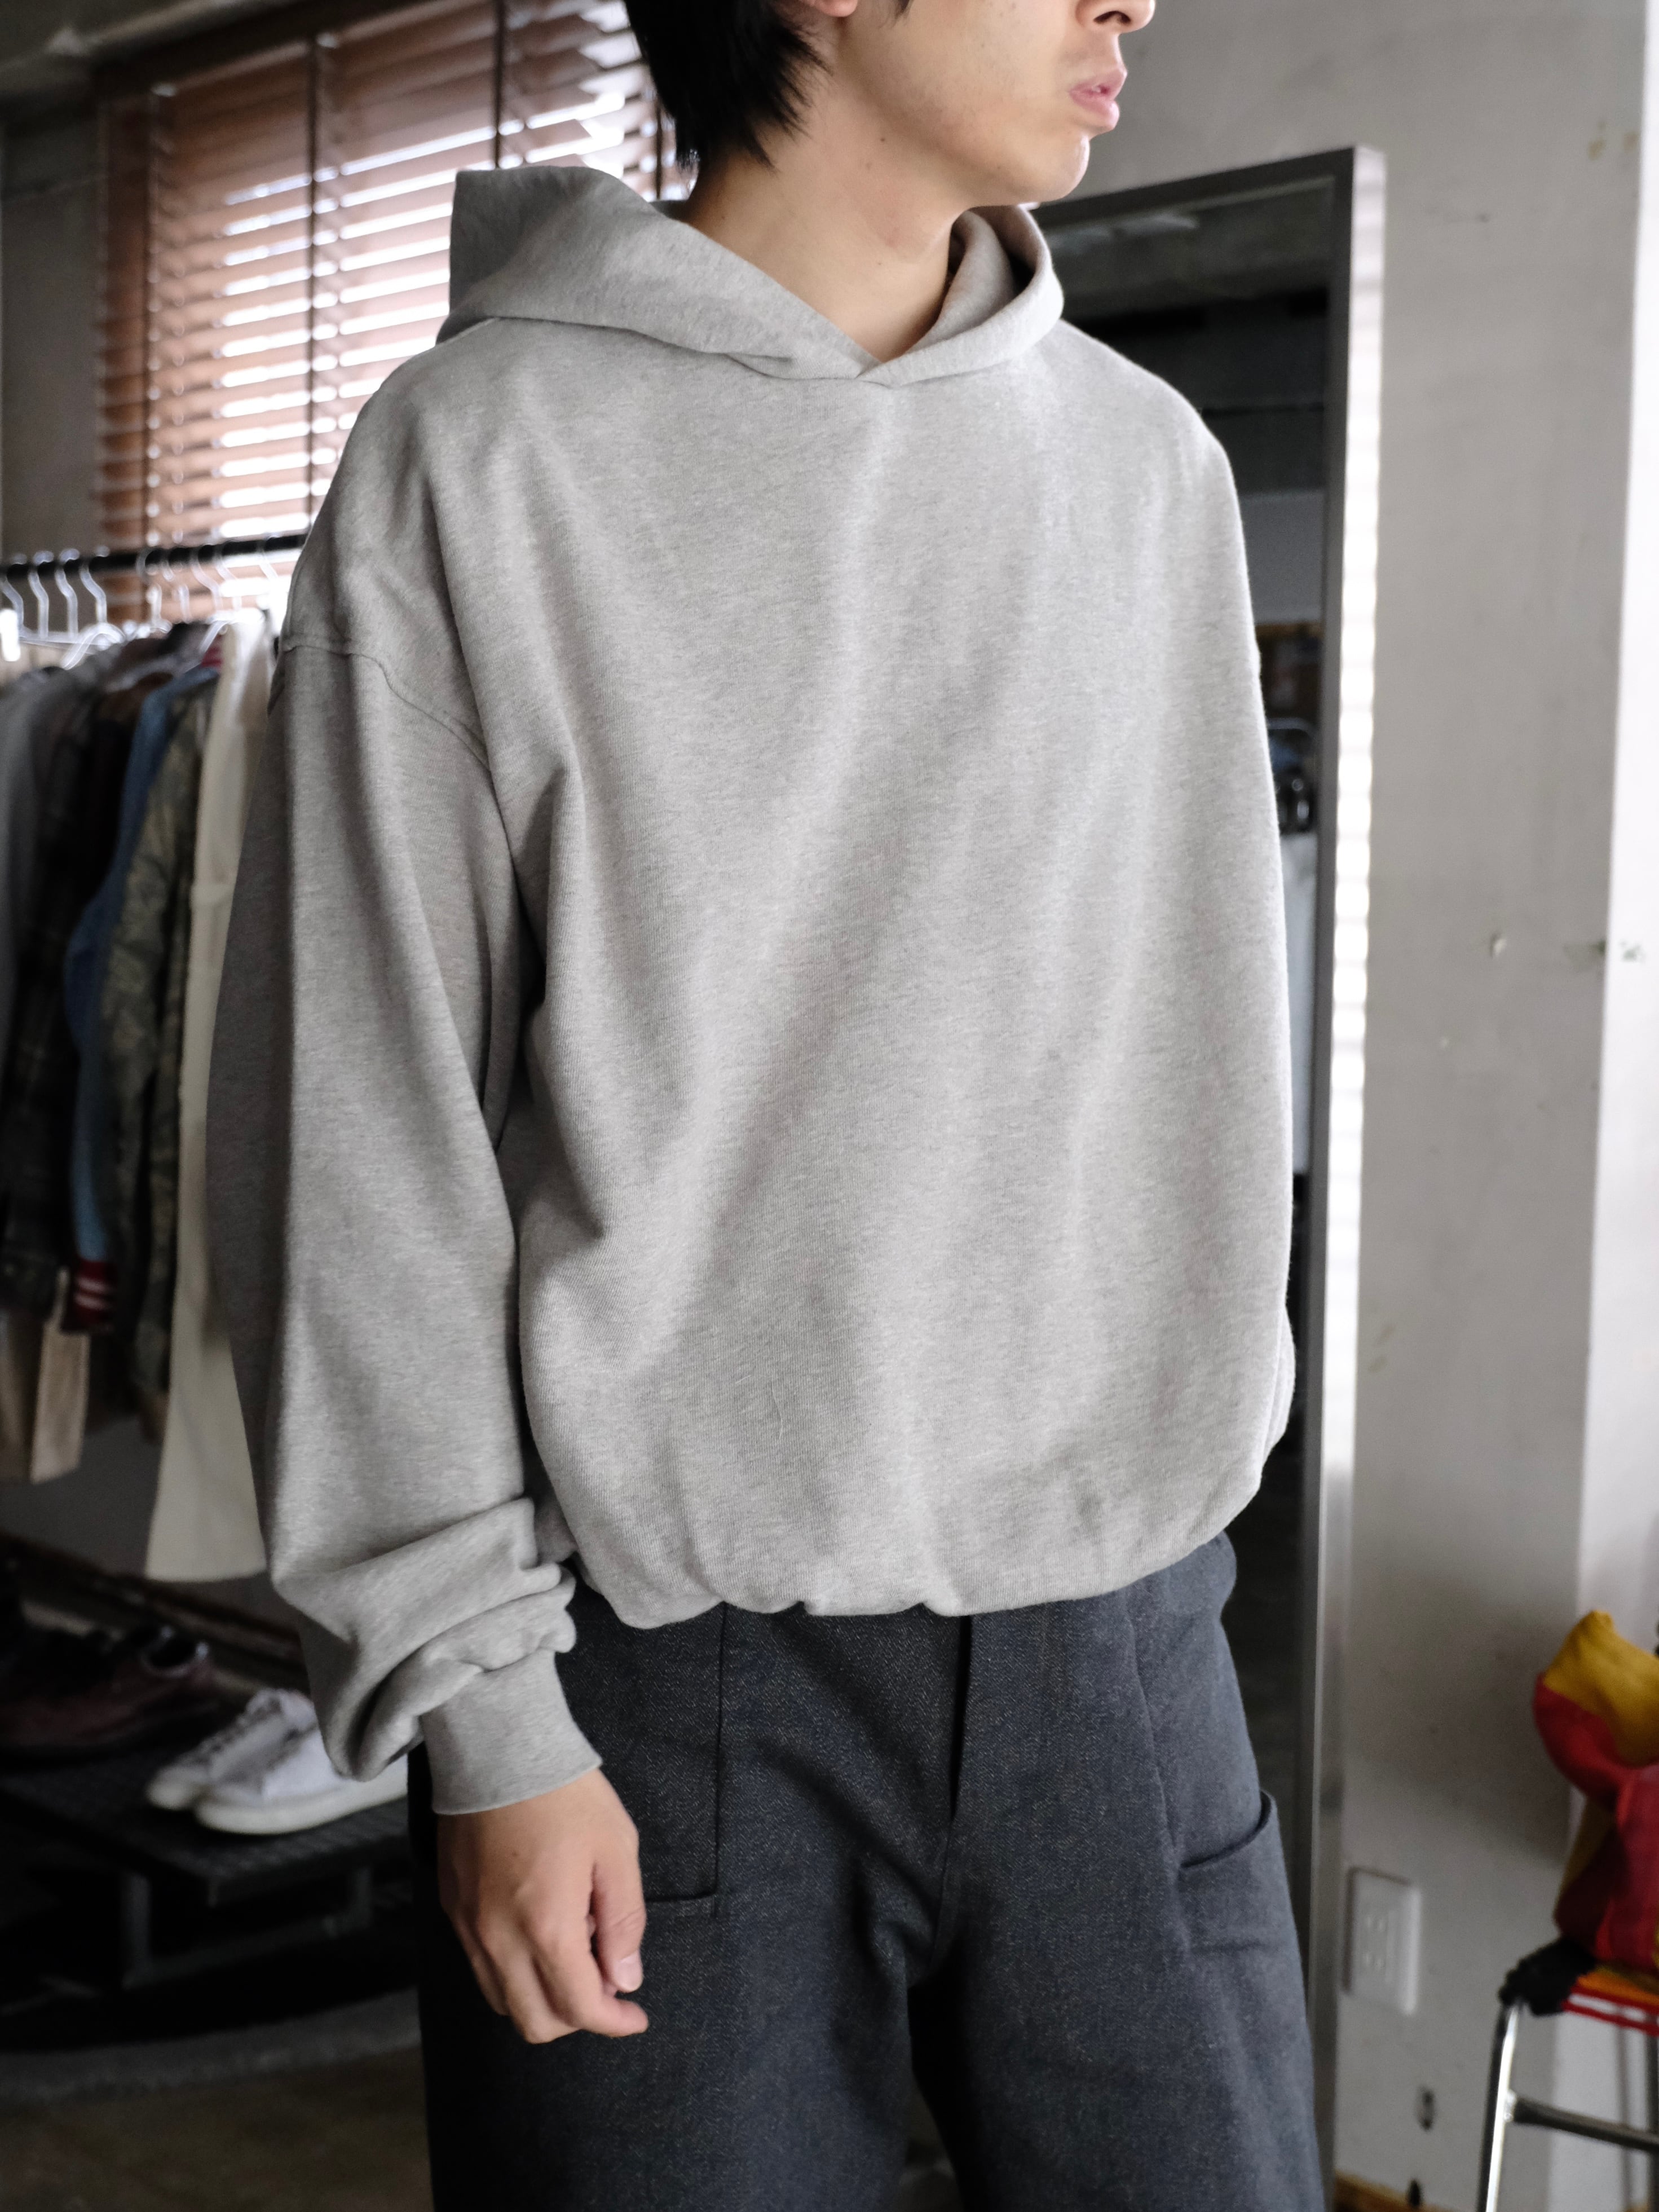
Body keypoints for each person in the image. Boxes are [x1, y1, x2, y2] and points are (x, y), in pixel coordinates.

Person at [207, 0, 1323, 2205]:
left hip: (1128, 1651)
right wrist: (485, 1716)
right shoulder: (481, 458)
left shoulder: (1145, 471)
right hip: (670, 1688)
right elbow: (363, 1139)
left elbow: (1190, 1059)